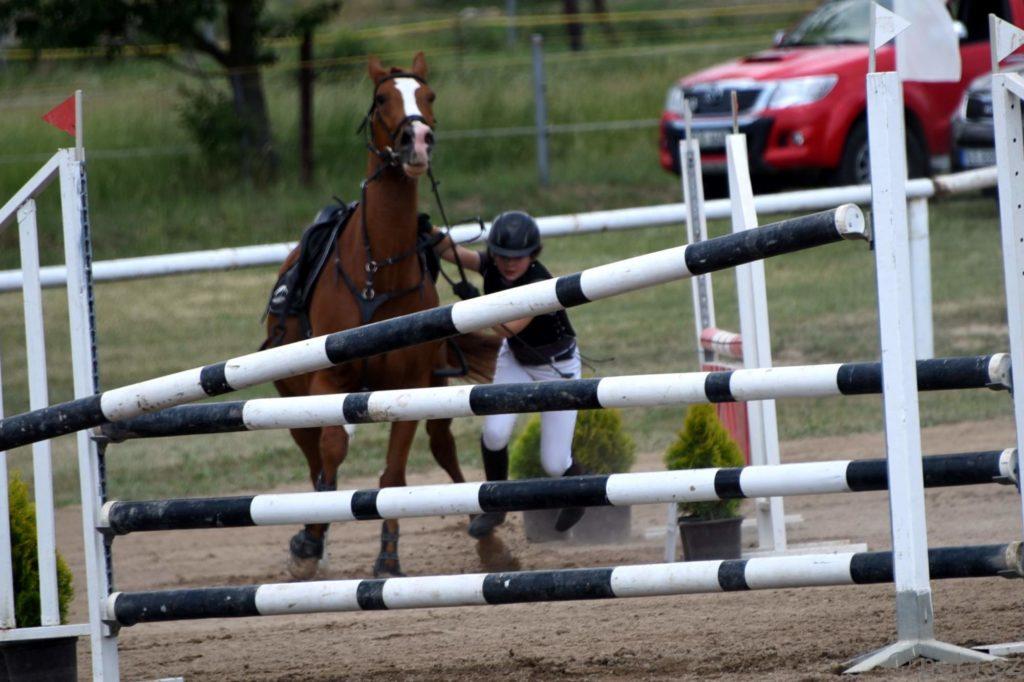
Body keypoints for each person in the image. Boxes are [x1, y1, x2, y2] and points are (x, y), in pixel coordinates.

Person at [432, 211, 587, 538]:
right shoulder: (490, 264)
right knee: (494, 434)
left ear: (533, 254)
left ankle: (581, 490)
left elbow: (506, 328)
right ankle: (497, 505)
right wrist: (425, 229)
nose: (508, 264)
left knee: (554, 463)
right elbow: (449, 251)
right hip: (515, 358)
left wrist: (476, 303)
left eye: (517, 257)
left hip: (556, 368)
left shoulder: (539, 283)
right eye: (502, 256)